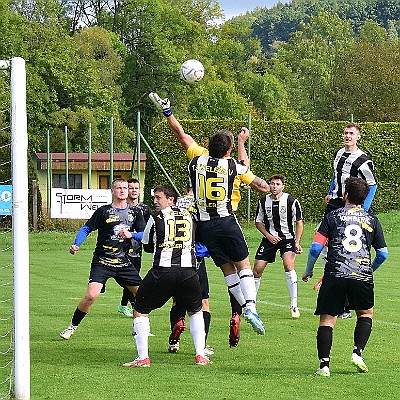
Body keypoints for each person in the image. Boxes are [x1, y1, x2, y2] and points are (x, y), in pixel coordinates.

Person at [149, 92, 270, 338]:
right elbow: (263, 186)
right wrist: (244, 154)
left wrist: (168, 112)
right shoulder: (234, 167)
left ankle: (246, 308)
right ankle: (251, 308)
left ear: (208, 144)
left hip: (204, 225)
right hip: (226, 221)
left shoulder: (197, 160)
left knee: (227, 270)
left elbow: (181, 135)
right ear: (229, 151)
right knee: (244, 266)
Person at [302, 177, 388, 377]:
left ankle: (324, 366)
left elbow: (316, 247)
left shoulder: (332, 216)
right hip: (362, 275)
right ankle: (357, 353)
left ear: (346, 195)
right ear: (364, 198)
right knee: (365, 314)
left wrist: (309, 270)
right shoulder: (372, 220)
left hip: (335, 274)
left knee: (327, 319)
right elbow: (383, 254)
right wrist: (368, 270)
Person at [123, 185, 211, 367]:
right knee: (196, 311)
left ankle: (143, 358)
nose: (155, 201)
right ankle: (201, 355)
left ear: (171, 199)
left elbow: (146, 244)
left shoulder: (156, 217)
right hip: (189, 272)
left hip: (162, 271)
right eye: (154, 198)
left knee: (140, 309)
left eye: (158, 198)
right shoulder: (191, 216)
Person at [60, 178, 145, 340]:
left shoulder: (135, 213)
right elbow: (86, 228)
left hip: (123, 262)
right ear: (112, 191)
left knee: (142, 296)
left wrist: (131, 234)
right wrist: (76, 244)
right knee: (92, 295)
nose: (122, 190)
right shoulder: (104, 211)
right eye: (119, 188)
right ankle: (71, 327)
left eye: (125, 188)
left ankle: (140, 329)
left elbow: (143, 235)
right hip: (103, 261)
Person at [323, 123, 378, 318]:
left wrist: (363, 208)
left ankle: (345, 306)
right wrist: (330, 192)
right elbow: (336, 175)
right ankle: (335, 300)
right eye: (345, 133)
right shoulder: (339, 153)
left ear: (358, 137)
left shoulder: (363, 161)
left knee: (347, 254)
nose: (347, 136)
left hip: (352, 207)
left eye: (351, 134)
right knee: (327, 249)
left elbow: (372, 185)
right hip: (336, 203)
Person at [168, 185, 213, 356]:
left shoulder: (177, 204)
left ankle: (174, 341)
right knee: (203, 303)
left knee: (177, 301)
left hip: (177, 258)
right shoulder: (204, 204)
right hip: (197, 258)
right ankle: (202, 345)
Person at [253, 174, 304, 318]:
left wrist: (297, 242)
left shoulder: (291, 201)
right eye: (272, 184)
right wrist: (269, 236)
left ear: (283, 186)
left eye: (277, 184)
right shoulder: (263, 202)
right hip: (269, 239)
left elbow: (299, 222)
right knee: (257, 269)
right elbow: (258, 222)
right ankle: (252, 305)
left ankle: (294, 305)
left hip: (287, 238)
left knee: (288, 265)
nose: (274, 187)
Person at [117, 178, 152, 317]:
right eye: (130, 188)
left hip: (137, 249)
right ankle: (133, 304)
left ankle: (123, 305)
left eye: (136, 188)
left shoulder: (144, 209)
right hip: (122, 248)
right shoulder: (121, 208)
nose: (133, 190)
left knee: (133, 276)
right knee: (130, 278)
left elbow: (149, 228)